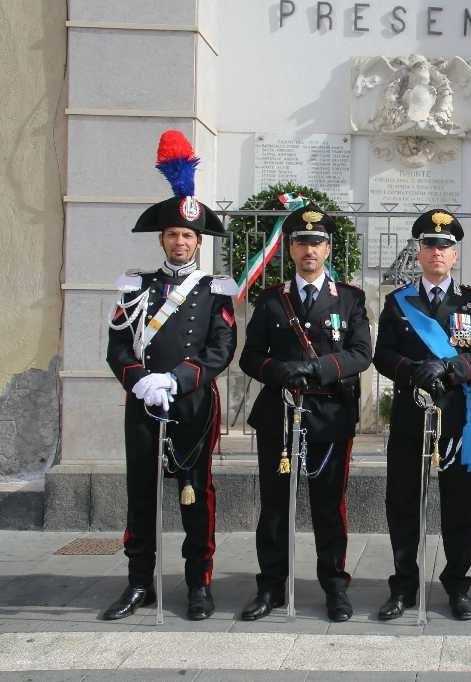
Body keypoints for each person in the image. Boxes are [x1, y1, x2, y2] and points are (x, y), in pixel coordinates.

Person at [104, 130, 238, 621]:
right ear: (162, 238)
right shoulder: (135, 287)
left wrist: (176, 380)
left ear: (198, 242)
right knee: (141, 492)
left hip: (192, 402)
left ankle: (198, 583)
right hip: (143, 400)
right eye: (173, 235)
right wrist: (139, 379)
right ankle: (139, 582)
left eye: (188, 236)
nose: (180, 242)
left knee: (194, 493)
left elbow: (221, 349)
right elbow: (118, 345)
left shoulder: (215, 289)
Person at [238, 203, 372, 622]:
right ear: (291, 249)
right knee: (275, 508)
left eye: (316, 242)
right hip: (279, 414)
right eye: (301, 242)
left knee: (328, 507)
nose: (309, 250)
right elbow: (249, 356)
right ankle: (271, 586)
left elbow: (361, 353)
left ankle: (334, 586)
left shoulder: (349, 299)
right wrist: (280, 371)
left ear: (328, 249)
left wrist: (317, 368)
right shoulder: (272, 299)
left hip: (329, 416)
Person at [373, 208, 471, 621]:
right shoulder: (398, 301)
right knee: (403, 502)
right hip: (411, 412)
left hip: (457, 414)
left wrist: (450, 368)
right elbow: (382, 354)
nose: (437, 252)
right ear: (419, 252)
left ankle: (457, 586)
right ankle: (404, 585)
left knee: (459, 505)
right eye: (430, 245)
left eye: (445, 246)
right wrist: (413, 371)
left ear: (455, 254)